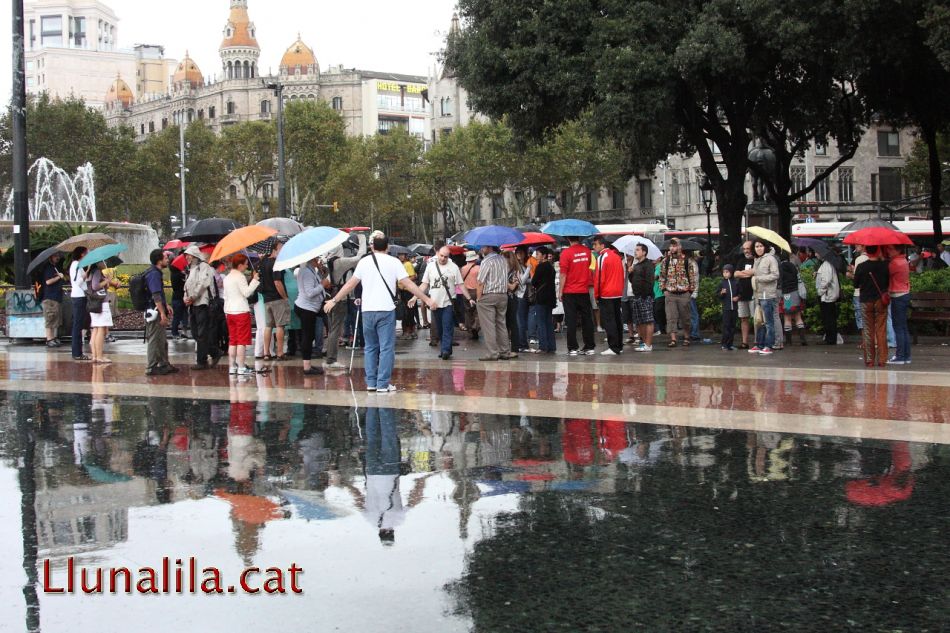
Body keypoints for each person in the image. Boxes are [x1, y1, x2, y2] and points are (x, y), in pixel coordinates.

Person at [324, 232, 436, 393]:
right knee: (386, 348)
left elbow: (350, 284)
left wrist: (334, 300)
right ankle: (383, 383)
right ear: (388, 247)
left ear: (372, 246)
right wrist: (426, 299)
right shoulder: (394, 262)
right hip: (386, 310)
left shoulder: (364, 262)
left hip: (368, 310)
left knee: (370, 348)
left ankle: (371, 382)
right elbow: (408, 284)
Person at [412, 246, 473, 360]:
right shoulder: (430, 266)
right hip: (434, 304)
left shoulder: (453, 267)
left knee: (447, 327)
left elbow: (461, 284)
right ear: (437, 254)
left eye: (446, 256)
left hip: (448, 303)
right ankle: (445, 348)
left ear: (448, 256)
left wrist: (469, 298)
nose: (443, 258)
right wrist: (415, 297)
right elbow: (424, 284)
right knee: (439, 328)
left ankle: (445, 350)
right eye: (441, 256)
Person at [324, 233, 367, 369]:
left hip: (328, 296)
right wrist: (362, 238)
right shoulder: (340, 262)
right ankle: (331, 359)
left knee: (332, 328)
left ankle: (329, 355)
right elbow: (360, 256)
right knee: (336, 329)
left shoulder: (326, 261)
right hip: (339, 298)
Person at [183, 244, 223, 370]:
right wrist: (186, 297)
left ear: (195, 256)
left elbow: (203, 283)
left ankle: (202, 361)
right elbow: (187, 286)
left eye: (189, 255)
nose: (187, 257)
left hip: (202, 304)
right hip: (193, 304)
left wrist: (192, 297)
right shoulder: (191, 269)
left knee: (201, 333)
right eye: (186, 255)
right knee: (195, 332)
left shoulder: (203, 267)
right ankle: (214, 352)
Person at [476, 245, 515, 361]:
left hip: (488, 296)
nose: (482, 249)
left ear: (489, 247)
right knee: (501, 324)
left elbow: (480, 281)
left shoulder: (486, 261)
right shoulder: (503, 260)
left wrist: (478, 298)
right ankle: (505, 351)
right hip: (503, 295)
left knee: (488, 326)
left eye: (484, 247)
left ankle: (492, 353)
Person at [223, 254, 260, 376]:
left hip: (229, 312)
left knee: (233, 340)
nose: (246, 266)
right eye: (245, 264)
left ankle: (232, 366)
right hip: (241, 311)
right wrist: (254, 280)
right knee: (241, 341)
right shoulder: (240, 277)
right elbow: (247, 293)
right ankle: (241, 367)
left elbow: (225, 296)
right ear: (239, 265)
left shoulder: (227, 277)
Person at [853, 245, 890, 367]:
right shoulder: (885, 265)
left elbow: (856, 284)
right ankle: (882, 359)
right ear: (878, 250)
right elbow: (888, 282)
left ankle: (869, 360)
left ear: (866, 251)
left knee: (868, 330)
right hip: (880, 301)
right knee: (881, 329)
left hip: (865, 300)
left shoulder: (862, 266)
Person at [559, 236, 596, 356]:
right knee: (587, 320)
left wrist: (560, 292)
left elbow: (563, 275)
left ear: (568, 239)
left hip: (569, 291)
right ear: (579, 238)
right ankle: (589, 346)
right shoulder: (587, 252)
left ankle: (572, 348)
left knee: (571, 320)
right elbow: (592, 268)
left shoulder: (566, 253)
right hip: (584, 290)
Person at [144, 249, 177, 376]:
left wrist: (166, 304)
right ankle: (151, 367)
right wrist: (162, 313)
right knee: (154, 339)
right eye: (165, 257)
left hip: (156, 309)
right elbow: (156, 295)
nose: (167, 259)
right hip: (154, 312)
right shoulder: (154, 274)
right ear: (159, 260)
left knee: (162, 339)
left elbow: (159, 294)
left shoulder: (155, 272)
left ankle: (164, 364)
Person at [294, 257, 328, 376]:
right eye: (317, 259)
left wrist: (321, 273)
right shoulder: (307, 272)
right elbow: (309, 293)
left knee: (309, 335)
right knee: (307, 337)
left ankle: (307, 364)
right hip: (306, 308)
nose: (319, 261)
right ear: (312, 259)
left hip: (309, 308)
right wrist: (322, 285)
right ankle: (307, 367)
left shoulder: (310, 270)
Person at [659, 238, 695, 348]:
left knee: (686, 318)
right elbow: (662, 276)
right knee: (671, 317)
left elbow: (692, 276)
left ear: (679, 247)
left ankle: (686, 337)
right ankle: (673, 339)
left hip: (684, 293)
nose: (672, 248)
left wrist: (690, 291)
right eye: (671, 246)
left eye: (674, 246)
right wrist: (664, 289)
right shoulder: (666, 260)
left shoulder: (687, 260)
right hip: (670, 293)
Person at [592, 236, 624, 355]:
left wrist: (597, 295)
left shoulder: (601, 258)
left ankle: (613, 346)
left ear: (602, 245)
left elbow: (599, 279)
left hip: (606, 293)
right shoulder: (617, 257)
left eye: (595, 244)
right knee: (617, 320)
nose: (594, 247)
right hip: (617, 292)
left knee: (609, 321)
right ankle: (619, 345)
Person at [260, 239, 290, 360]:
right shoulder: (277, 264)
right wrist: (285, 297)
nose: (282, 251)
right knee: (279, 326)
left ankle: (266, 353)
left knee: (268, 326)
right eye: (280, 249)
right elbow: (277, 282)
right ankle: (279, 353)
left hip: (266, 298)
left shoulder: (263, 262)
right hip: (277, 298)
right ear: (274, 250)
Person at [750, 240, 779, 355]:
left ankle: (768, 345)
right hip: (758, 294)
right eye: (756, 246)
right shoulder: (756, 260)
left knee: (768, 322)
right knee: (759, 321)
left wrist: (759, 278)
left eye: (761, 246)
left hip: (768, 294)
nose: (758, 248)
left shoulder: (770, 259)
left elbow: (775, 275)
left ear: (765, 247)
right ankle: (759, 344)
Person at [87, 261, 119, 364]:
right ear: (98, 263)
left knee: (96, 329)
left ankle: (95, 355)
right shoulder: (97, 271)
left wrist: (106, 282)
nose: (105, 263)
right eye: (103, 261)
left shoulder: (92, 272)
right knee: (101, 329)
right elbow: (95, 286)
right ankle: (99, 356)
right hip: (101, 303)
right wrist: (107, 281)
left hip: (95, 303)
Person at [886, 245, 911, 365]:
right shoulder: (904, 260)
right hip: (905, 294)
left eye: (891, 249)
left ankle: (900, 356)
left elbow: (886, 275)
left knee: (898, 327)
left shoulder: (895, 263)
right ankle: (906, 355)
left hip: (897, 295)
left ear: (897, 250)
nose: (889, 252)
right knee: (904, 327)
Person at [629, 244, 655, 352]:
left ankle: (648, 344)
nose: (635, 252)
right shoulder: (636, 265)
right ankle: (644, 343)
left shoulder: (648, 264)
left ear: (644, 252)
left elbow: (650, 281)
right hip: (636, 296)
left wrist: (645, 295)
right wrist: (630, 273)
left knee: (648, 320)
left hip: (645, 297)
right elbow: (633, 281)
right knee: (640, 322)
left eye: (638, 250)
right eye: (635, 250)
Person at [531, 247, 557, 353]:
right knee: (548, 322)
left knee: (541, 322)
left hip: (541, 297)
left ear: (544, 255)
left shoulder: (540, 267)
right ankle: (551, 346)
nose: (536, 256)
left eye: (538, 254)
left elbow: (534, 282)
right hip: (550, 298)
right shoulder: (551, 267)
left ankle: (543, 346)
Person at [778, 252, 808, 346]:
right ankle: (802, 339)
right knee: (798, 317)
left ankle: (789, 341)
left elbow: (779, 281)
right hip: (796, 293)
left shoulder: (780, 268)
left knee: (787, 318)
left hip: (787, 295)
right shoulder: (793, 266)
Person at [732, 241, 756, 349]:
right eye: (744, 248)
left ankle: (757, 342)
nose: (746, 251)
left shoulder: (757, 260)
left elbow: (755, 271)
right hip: (742, 294)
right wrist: (749, 273)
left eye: (748, 248)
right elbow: (736, 273)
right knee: (743, 319)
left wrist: (744, 273)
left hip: (754, 294)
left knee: (756, 319)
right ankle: (744, 342)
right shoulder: (741, 260)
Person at [68, 247, 91, 361]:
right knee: (78, 325)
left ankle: (78, 352)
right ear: (82, 254)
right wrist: (85, 274)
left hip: (80, 296)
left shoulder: (78, 265)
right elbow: (77, 281)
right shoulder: (76, 265)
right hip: (79, 296)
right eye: (87, 253)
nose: (88, 255)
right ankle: (77, 352)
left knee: (79, 324)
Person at [815, 251, 840, 345]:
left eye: (817, 253)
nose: (816, 254)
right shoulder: (826, 265)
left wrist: (820, 292)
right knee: (829, 317)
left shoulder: (826, 265)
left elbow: (826, 281)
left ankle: (831, 339)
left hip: (827, 296)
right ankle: (830, 337)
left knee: (829, 318)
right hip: (827, 295)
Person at [41, 253, 65, 348]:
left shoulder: (55, 267)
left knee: (55, 319)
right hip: (49, 297)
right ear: (50, 257)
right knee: (50, 319)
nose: (57, 257)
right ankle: (49, 339)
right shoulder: (48, 268)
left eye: (58, 256)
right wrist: (59, 277)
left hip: (56, 297)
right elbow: (48, 281)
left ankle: (53, 338)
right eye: (55, 256)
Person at [513, 246, 532, 352]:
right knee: (520, 321)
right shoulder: (516, 266)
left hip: (524, 295)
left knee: (522, 320)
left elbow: (527, 280)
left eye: (521, 253)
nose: (519, 255)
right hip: (519, 296)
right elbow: (522, 281)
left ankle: (522, 343)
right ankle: (522, 344)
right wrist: (529, 268)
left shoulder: (523, 265)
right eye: (518, 253)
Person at [460, 251, 481, 339]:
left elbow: (460, 281)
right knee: (477, 311)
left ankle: (470, 328)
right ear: (475, 259)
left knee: (468, 312)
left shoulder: (463, 269)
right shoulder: (479, 268)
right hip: (476, 291)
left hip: (466, 292)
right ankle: (475, 327)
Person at [397, 252, 417, 340]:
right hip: (402, 291)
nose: (401, 256)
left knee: (408, 311)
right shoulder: (400, 264)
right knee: (405, 311)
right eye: (399, 255)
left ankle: (410, 331)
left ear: (406, 256)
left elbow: (413, 276)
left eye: (402, 255)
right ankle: (408, 331)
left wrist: (403, 281)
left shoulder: (408, 264)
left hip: (407, 291)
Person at [719, 264, 740, 350]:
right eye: (724, 272)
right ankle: (724, 344)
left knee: (732, 326)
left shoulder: (736, 282)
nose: (725, 274)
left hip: (734, 308)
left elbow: (740, 292)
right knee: (726, 326)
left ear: (731, 272)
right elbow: (717, 294)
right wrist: (721, 293)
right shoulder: (722, 283)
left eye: (727, 272)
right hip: (726, 308)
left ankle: (730, 344)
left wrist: (737, 297)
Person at [169, 251, 188, 340]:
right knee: (179, 315)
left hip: (177, 297)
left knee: (182, 315)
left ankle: (180, 331)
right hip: (179, 298)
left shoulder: (174, 274)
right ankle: (175, 332)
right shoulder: (179, 275)